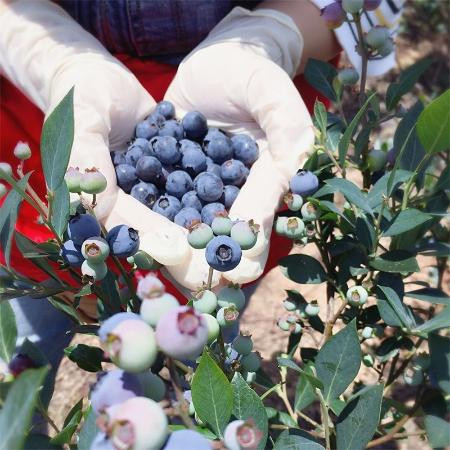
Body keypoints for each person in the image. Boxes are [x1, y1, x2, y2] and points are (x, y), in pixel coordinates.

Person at [0, 0, 404, 367]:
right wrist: (43, 54)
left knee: (203, 325)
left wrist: (279, 32)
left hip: (242, 101)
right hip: (58, 110)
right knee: (27, 332)